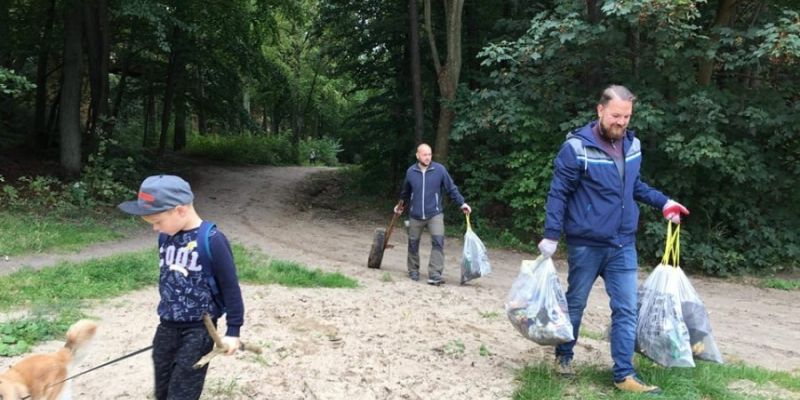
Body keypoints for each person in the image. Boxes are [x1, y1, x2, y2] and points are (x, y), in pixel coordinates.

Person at [538, 85, 689, 394]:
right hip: (586, 243)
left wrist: (664, 202)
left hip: (622, 243)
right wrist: (551, 235)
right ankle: (563, 356)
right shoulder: (576, 149)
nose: (621, 122)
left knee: (626, 308)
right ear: (600, 110)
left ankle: (624, 374)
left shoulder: (632, 146)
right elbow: (559, 194)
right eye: (616, 116)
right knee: (576, 303)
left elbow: (635, 186)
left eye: (627, 116)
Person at [118, 175, 245, 400]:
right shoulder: (166, 237)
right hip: (166, 326)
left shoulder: (213, 240)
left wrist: (233, 331)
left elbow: (231, 288)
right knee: (163, 390)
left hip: (199, 330)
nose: (155, 229)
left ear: (180, 211)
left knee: (182, 393)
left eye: (157, 221)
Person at [395, 143, 471, 285]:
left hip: (434, 214)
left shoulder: (439, 170)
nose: (428, 157)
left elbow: (451, 188)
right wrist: (400, 205)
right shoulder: (411, 171)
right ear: (418, 155)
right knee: (413, 243)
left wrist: (462, 203)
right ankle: (413, 270)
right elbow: (405, 192)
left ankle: (435, 274)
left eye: (429, 154)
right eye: (424, 155)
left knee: (438, 242)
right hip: (415, 214)